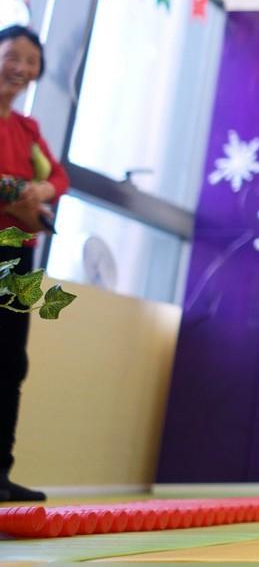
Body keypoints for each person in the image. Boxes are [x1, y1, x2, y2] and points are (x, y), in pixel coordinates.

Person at [0, 25, 67, 503]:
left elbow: (57, 177)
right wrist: (18, 196)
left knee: (9, 361)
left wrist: (37, 191)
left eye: (32, 62)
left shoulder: (28, 129)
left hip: (19, 253)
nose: (22, 68)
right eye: (13, 56)